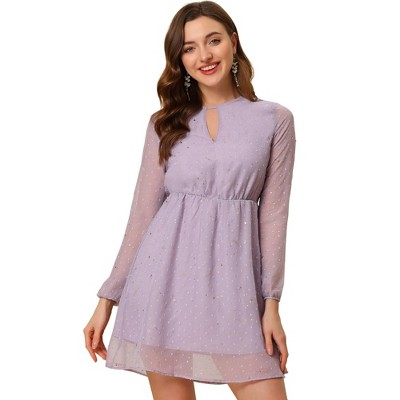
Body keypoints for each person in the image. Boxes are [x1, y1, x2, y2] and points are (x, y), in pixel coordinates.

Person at [83, 1, 296, 399]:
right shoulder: (164, 124)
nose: (204, 56)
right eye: (189, 48)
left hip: (236, 294)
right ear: (180, 59)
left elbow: (273, 216)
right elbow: (143, 214)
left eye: (213, 41)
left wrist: (272, 303)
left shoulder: (274, 119)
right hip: (161, 290)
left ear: (233, 42)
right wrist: (107, 298)